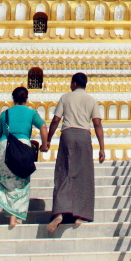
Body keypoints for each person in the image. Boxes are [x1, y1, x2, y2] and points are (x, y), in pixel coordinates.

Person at [43, 73, 105, 232]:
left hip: (68, 135)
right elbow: (97, 123)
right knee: (83, 176)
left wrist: (48, 139)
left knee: (64, 173)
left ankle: (59, 213)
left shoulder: (65, 97)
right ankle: (79, 215)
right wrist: (102, 147)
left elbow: (56, 120)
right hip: (84, 136)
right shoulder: (91, 100)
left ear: (75, 83)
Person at [0, 86, 44, 228]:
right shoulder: (31, 113)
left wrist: (0, 152)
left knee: (0, 180)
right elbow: (43, 126)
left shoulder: (4, 114)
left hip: (4, 147)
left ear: (13, 98)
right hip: (22, 147)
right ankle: (13, 217)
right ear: (26, 99)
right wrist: (45, 144)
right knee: (21, 183)